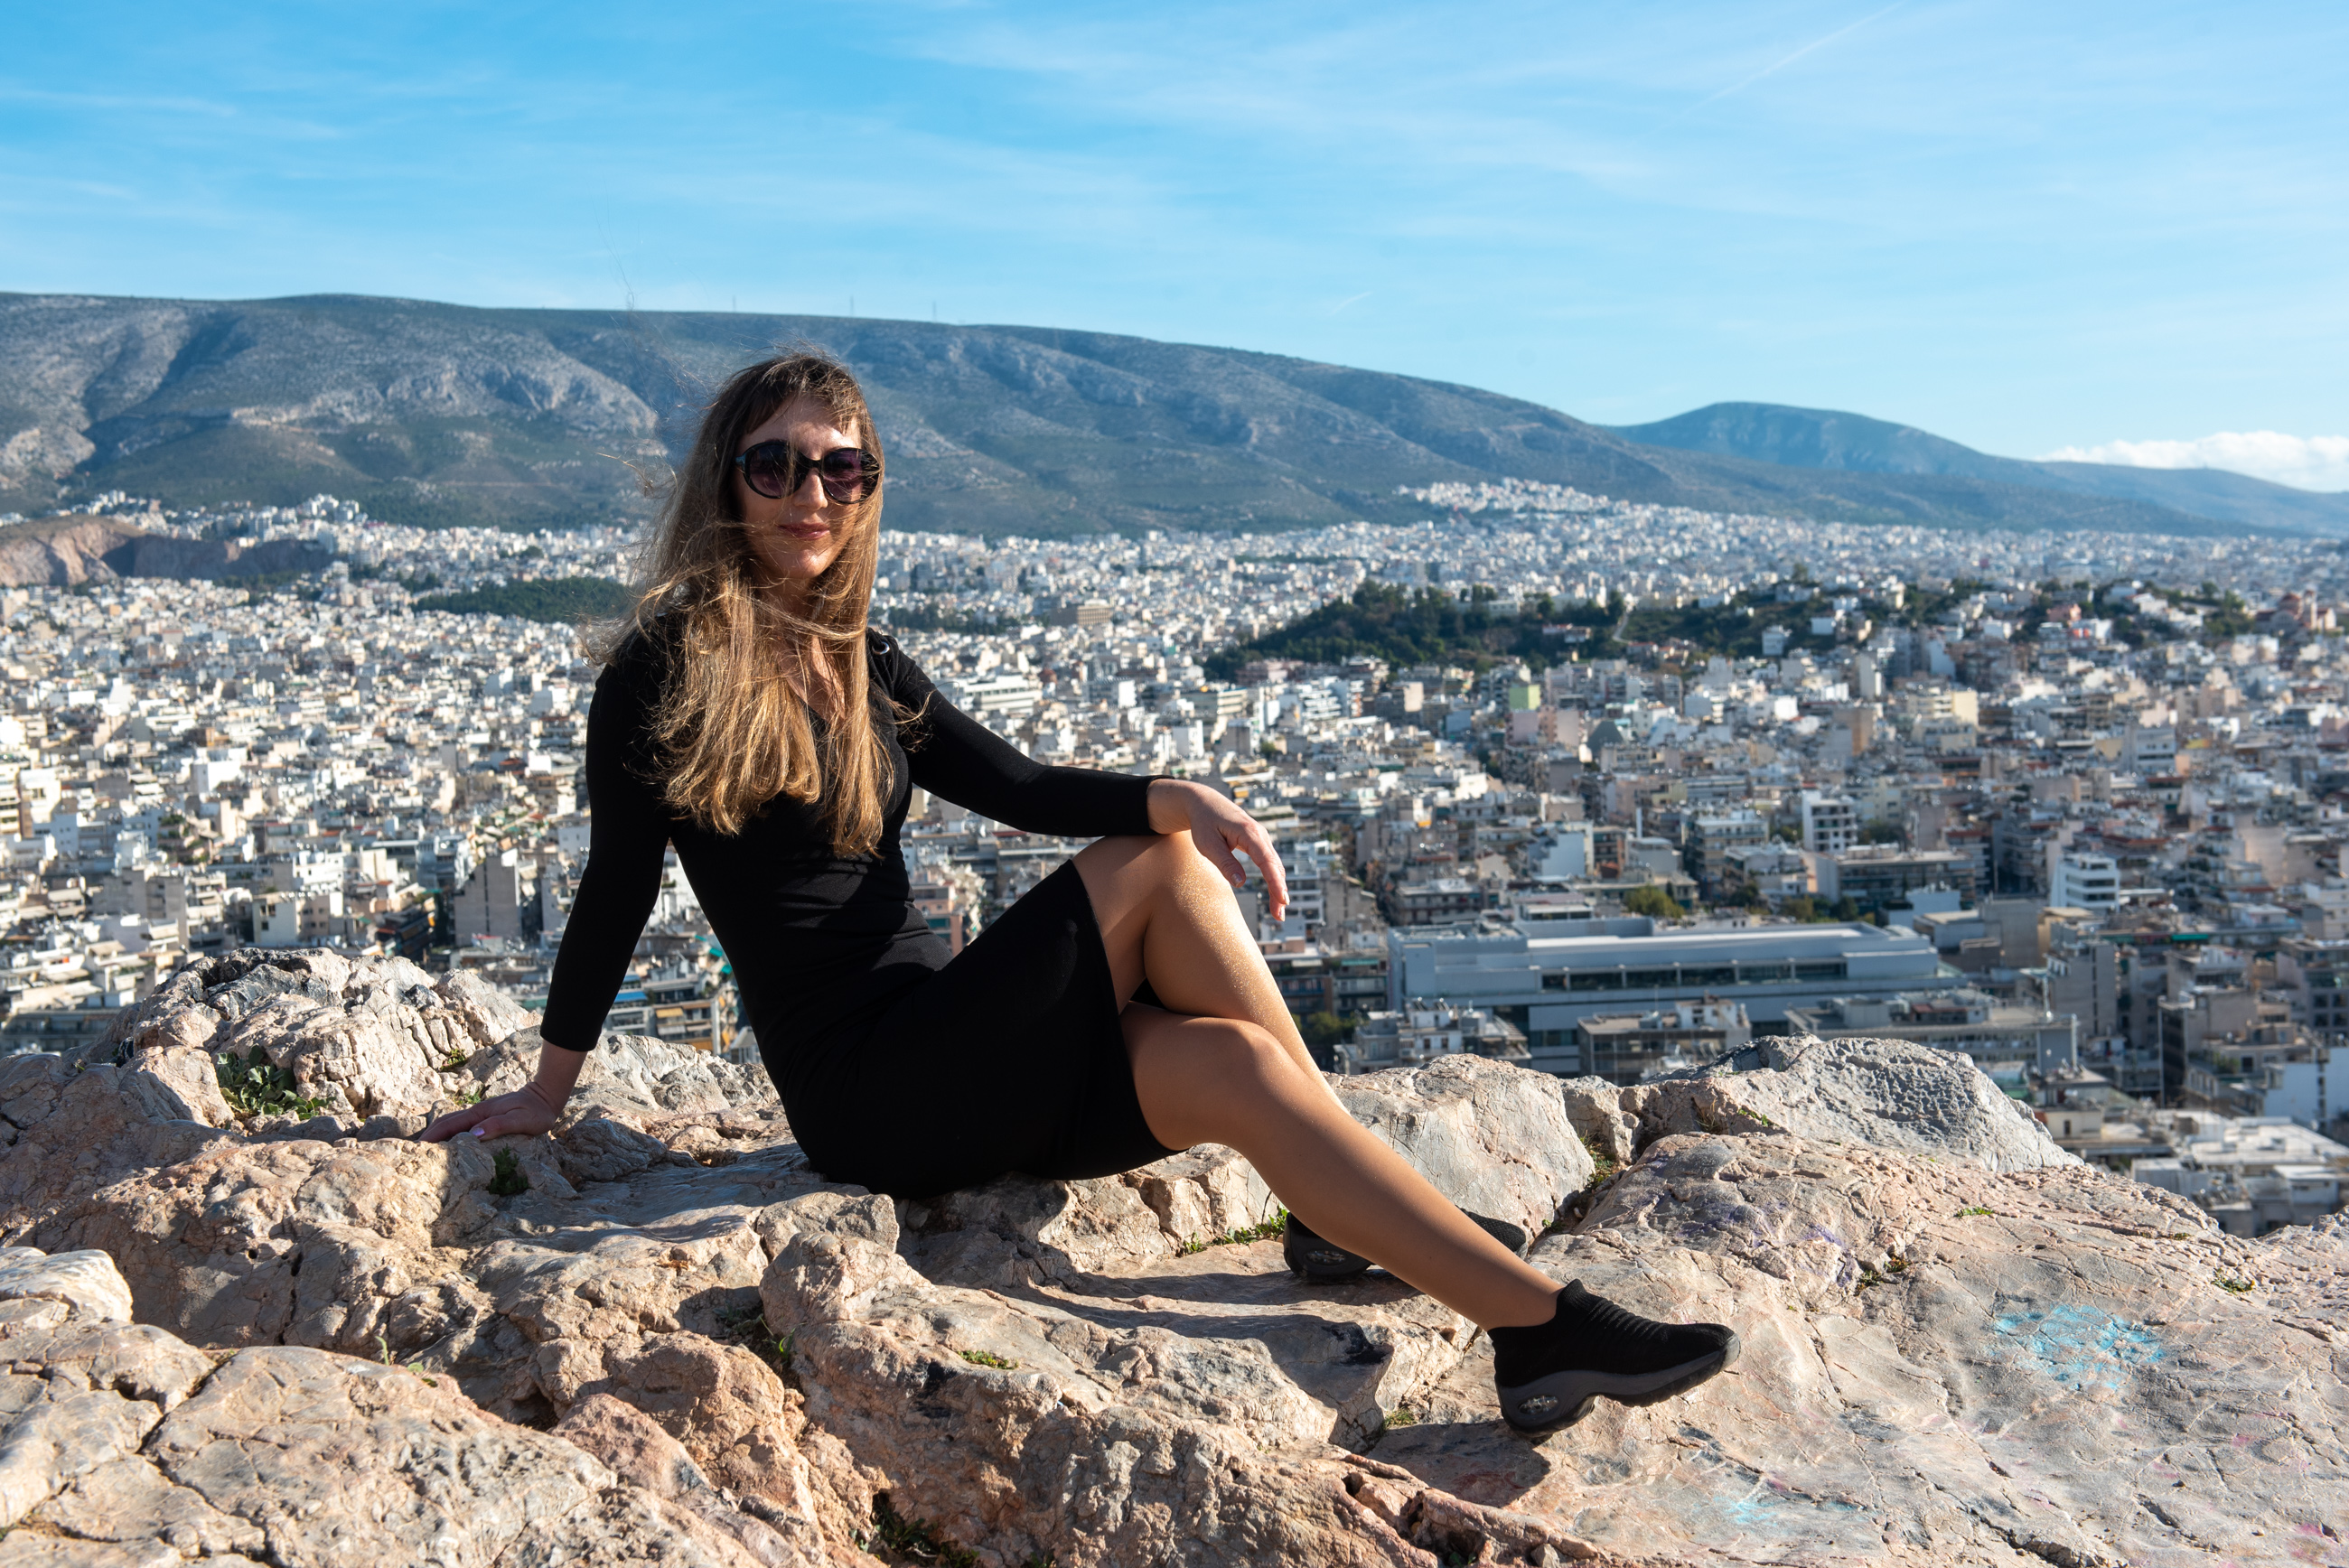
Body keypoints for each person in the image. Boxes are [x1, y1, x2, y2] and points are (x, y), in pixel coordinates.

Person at [419, 352, 1736, 1433]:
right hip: (864, 1092)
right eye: (774, 465)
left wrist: (1178, 790)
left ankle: (1397, 1257)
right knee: (1158, 869)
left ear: (868, 487)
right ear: (728, 482)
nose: (807, 493)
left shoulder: (863, 657)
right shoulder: (664, 668)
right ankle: (1538, 1320)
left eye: (839, 467)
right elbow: (613, 890)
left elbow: (1025, 786)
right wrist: (549, 1090)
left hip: (950, 1056)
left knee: (1233, 1067)